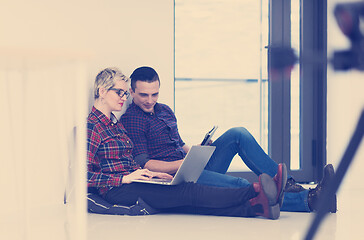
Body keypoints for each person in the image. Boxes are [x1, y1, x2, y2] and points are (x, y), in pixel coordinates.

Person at [120, 66, 337, 213]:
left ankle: (289, 185)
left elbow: (178, 144)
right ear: (131, 92)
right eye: (143, 95)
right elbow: (144, 164)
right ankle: (311, 200)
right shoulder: (132, 120)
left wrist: (196, 152)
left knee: (238, 133)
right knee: (240, 184)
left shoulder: (164, 110)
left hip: (191, 165)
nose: (150, 100)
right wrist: (184, 164)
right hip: (177, 178)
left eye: (154, 94)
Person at [87, 67, 287, 220]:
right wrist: (125, 178)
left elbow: (131, 163)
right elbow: (84, 176)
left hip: (140, 178)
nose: (123, 98)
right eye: (119, 93)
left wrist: (152, 174)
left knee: (236, 135)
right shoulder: (94, 126)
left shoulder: (114, 124)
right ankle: (258, 191)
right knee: (186, 192)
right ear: (102, 91)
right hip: (119, 189)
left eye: (124, 94)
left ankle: (257, 206)